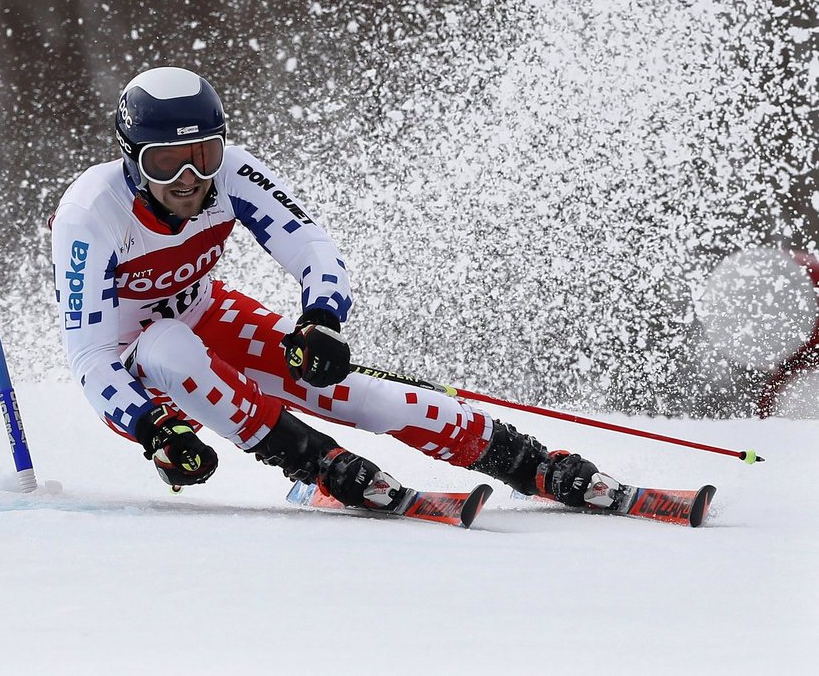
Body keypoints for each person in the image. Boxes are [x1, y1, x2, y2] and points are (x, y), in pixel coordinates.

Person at [50, 66, 610, 511]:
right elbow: (93, 358)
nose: (189, 180)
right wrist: (153, 429)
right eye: (166, 163)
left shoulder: (232, 175)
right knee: (166, 342)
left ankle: (526, 462)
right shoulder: (92, 212)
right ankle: (315, 464)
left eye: (203, 155)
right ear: (131, 158)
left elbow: (311, 247)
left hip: (208, 316)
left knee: (364, 393)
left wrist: (321, 319)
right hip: (141, 382)